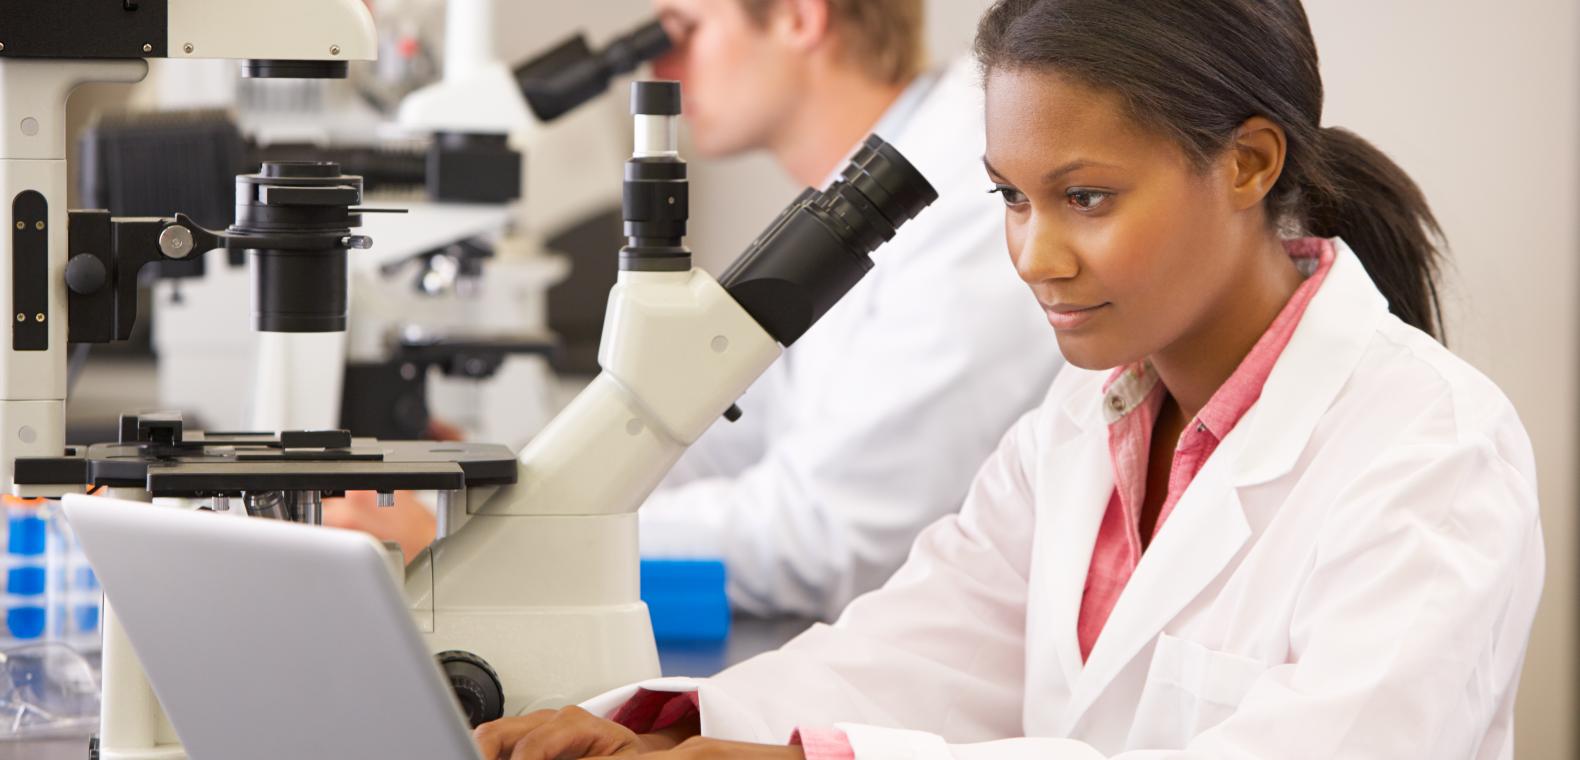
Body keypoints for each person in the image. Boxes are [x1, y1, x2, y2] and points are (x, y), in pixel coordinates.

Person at [469, 0, 1545, 758]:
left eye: (1085, 198)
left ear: (1248, 163)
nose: (1034, 256)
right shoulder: (1081, 422)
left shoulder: (1429, 449)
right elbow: (916, 650)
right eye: (1011, 199)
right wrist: (659, 731)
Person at [330, 0, 1064, 621]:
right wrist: (514, 482)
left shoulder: (968, 185)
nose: (660, 68)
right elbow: (704, 438)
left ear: (800, 16)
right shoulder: (854, 189)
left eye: (681, 30)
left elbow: (831, 535)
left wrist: (491, 541)